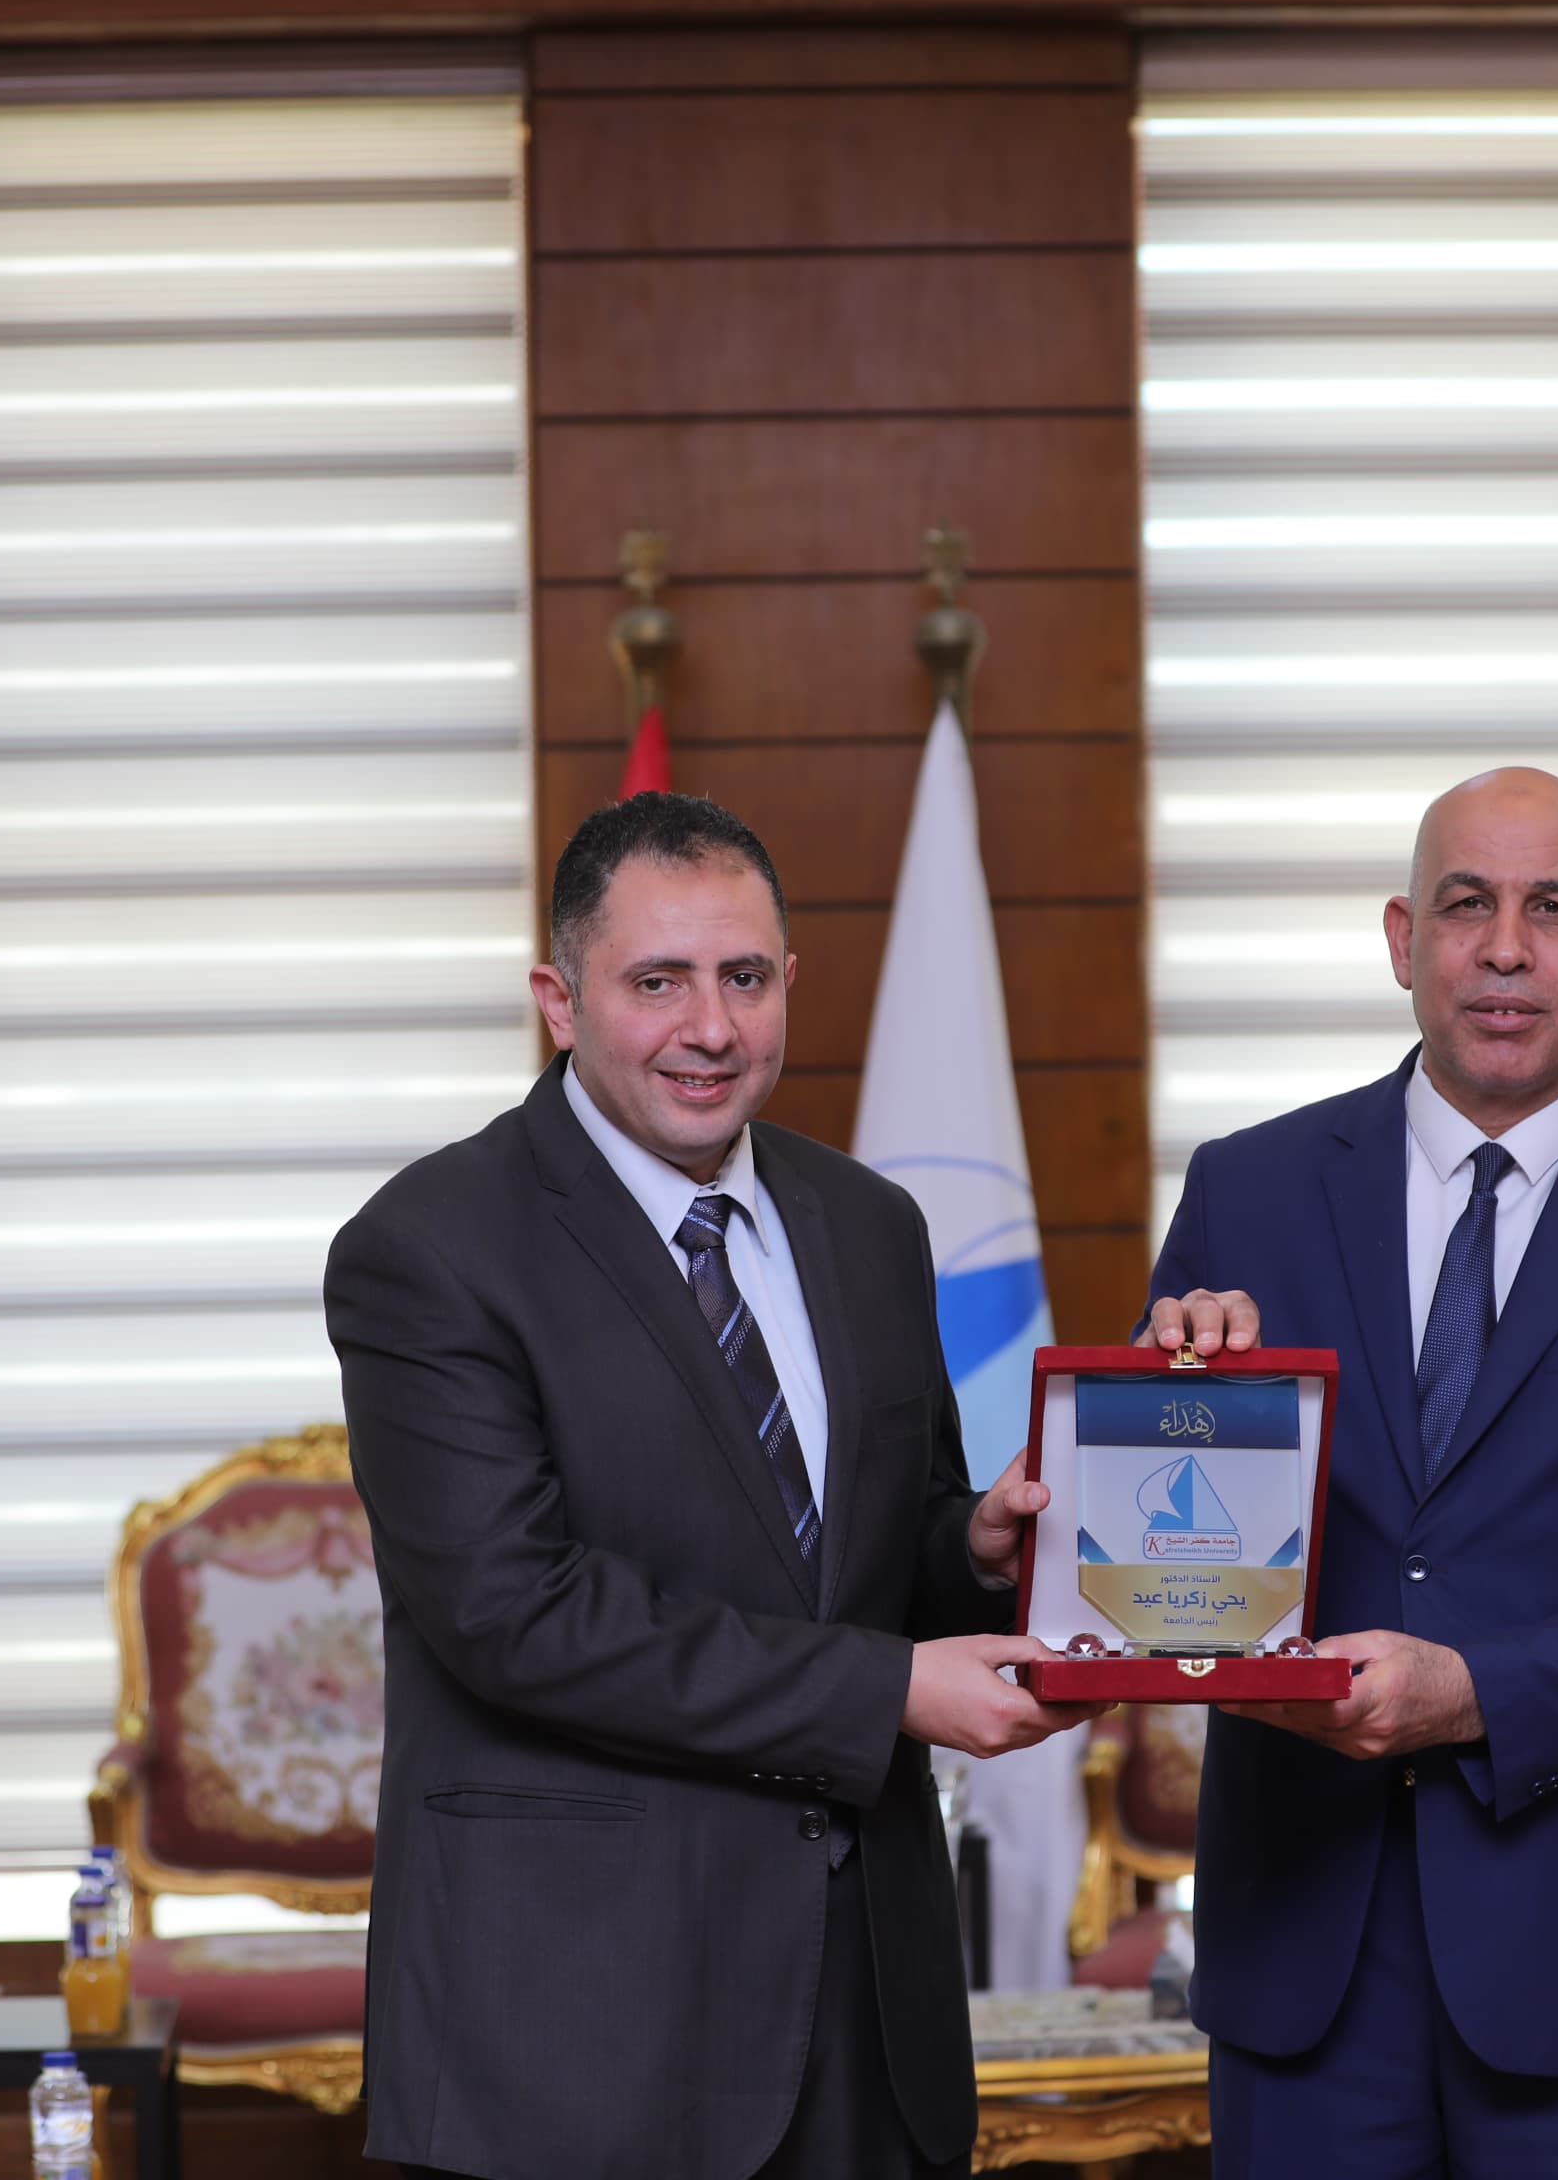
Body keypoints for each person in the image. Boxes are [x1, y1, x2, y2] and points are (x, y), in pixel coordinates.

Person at [326, 792, 1082, 2180]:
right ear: (560, 1001)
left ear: (790, 980)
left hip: (867, 2005)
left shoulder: (870, 1223)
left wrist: (973, 1546)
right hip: (582, 2025)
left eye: (744, 977)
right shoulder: (430, 1248)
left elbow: (866, 1559)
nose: (713, 1027)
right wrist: (887, 1692)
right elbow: (515, 1616)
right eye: (657, 982)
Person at [1144, 765, 1558, 2177]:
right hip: (1306, 1962)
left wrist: (1475, 1693)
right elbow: (1164, 1555)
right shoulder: (1245, 1191)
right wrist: (1173, 1412)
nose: (1506, 948)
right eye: (1467, 905)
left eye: (1552, 910)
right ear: (1404, 939)